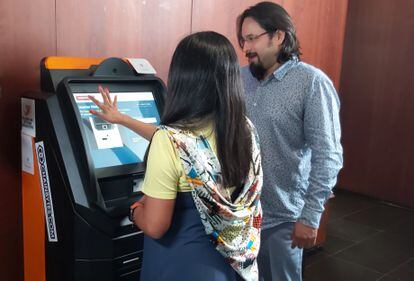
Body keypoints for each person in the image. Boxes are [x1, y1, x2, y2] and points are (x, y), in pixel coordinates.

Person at [89, 31, 263, 281]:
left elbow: (156, 226)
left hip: (178, 266)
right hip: (226, 264)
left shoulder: (169, 142)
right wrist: (122, 119)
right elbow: (186, 145)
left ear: (183, 78)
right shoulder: (244, 129)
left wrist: (134, 210)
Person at [236, 2, 343, 281]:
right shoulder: (240, 77)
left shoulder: (312, 83)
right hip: (240, 214)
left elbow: (328, 155)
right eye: (243, 40)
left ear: (279, 36)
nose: (246, 48)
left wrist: (310, 217)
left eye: (252, 38)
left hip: (282, 219)